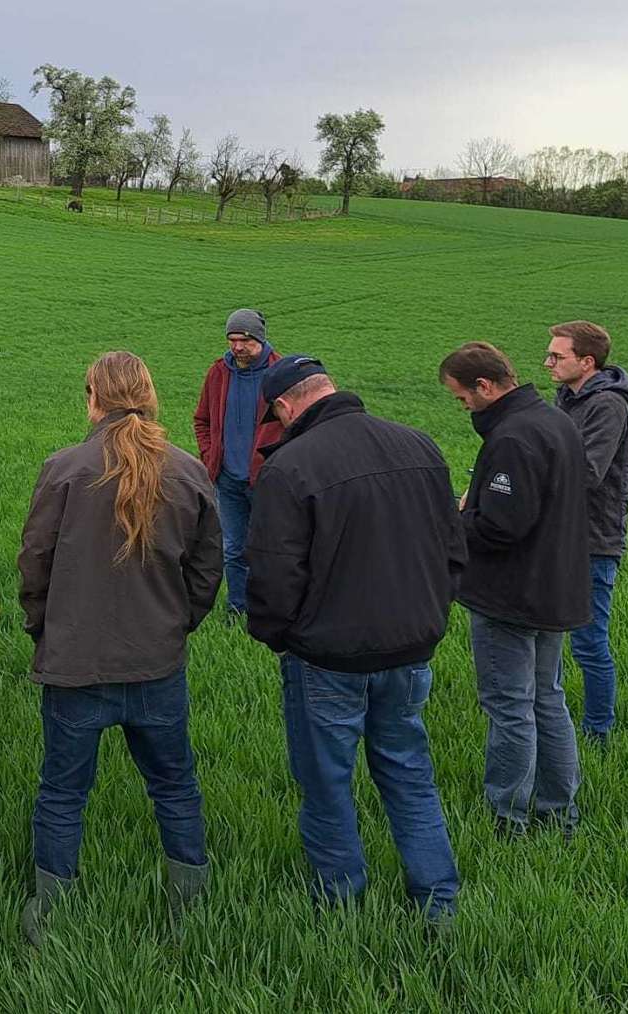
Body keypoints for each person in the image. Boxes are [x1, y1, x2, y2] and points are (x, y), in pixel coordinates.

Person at [246, 355, 465, 921]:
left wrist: (279, 635)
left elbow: (272, 574)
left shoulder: (290, 465)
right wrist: (428, 618)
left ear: (285, 406)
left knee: (326, 784)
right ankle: (440, 903)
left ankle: (340, 904)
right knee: (410, 773)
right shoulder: (420, 446)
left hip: (326, 658)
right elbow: (453, 551)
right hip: (411, 649)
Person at [17, 351, 221, 946]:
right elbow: (208, 569)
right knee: (175, 787)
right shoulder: (186, 471)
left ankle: (49, 914)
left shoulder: (63, 468)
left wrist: (45, 630)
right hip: (156, 661)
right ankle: (191, 910)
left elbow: (35, 565)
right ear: (150, 395)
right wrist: (178, 624)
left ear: (93, 397)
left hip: (75, 665)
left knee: (62, 792)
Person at [439, 341, 590, 838]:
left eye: (463, 398)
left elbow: (504, 527)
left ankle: (508, 818)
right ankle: (559, 812)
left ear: (485, 387)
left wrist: (458, 519)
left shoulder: (512, 437)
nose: (464, 407)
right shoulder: (554, 420)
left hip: (511, 594)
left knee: (510, 707)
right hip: (555, 587)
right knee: (548, 699)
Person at [545, 321, 628, 747]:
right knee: (547, 635)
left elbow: (587, 472)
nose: (548, 362)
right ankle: (553, 719)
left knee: (588, 642)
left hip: (593, 540)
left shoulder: (606, 405)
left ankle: (598, 732)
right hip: (558, 535)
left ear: (587, 362)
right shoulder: (567, 399)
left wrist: (528, 478)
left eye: (557, 356)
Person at [192, 308, 282, 620]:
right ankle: (237, 608)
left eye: (245, 340)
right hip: (227, 479)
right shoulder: (219, 372)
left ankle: (271, 610)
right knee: (233, 548)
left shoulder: (279, 373)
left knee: (271, 548)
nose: (238, 347)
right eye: (232, 340)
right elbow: (201, 420)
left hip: (267, 479)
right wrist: (209, 455)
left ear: (259, 339)